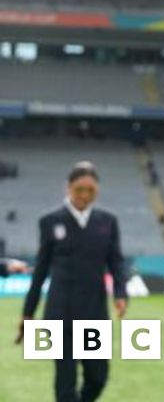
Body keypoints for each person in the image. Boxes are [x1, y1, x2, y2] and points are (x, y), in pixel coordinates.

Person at [18, 161, 128, 402]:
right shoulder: (50, 221)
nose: (85, 195)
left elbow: (116, 262)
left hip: (94, 313)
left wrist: (121, 293)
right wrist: (28, 313)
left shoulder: (108, 222)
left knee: (97, 377)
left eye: (91, 190)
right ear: (68, 188)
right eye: (80, 189)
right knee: (66, 385)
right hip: (60, 314)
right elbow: (40, 270)